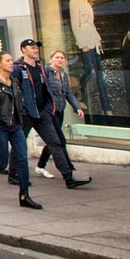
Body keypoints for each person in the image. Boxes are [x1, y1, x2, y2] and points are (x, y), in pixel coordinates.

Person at [15, 39, 92, 189]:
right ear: (24, 49)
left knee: (56, 143)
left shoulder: (41, 68)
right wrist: (22, 109)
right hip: (28, 113)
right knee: (19, 142)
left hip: (44, 112)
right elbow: (16, 91)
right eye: (32, 48)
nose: (36, 50)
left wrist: (54, 107)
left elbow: (62, 92)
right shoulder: (20, 68)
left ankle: (69, 178)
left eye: (37, 48)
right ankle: (13, 173)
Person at [0, 51, 40, 209]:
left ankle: (24, 195)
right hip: (0, 126)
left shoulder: (14, 80)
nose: (11, 63)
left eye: (11, 60)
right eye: (7, 61)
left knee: (22, 160)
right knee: (1, 162)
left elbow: (19, 102)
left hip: (16, 125)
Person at [38, 50, 86, 181]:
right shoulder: (46, 71)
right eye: (57, 57)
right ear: (51, 59)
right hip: (49, 111)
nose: (60, 60)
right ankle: (68, 169)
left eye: (62, 58)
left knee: (53, 141)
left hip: (59, 110)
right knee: (58, 141)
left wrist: (77, 107)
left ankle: (41, 166)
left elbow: (68, 93)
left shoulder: (63, 74)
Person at [69, 0, 111, 113]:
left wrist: (97, 39)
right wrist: (83, 44)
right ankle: (78, 93)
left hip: (92, 38)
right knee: (89, 70)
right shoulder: (74, 1)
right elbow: (75, 25)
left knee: (99, 73)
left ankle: (106, 107)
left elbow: (90, 23)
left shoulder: (86, 1)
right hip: (85, 39)